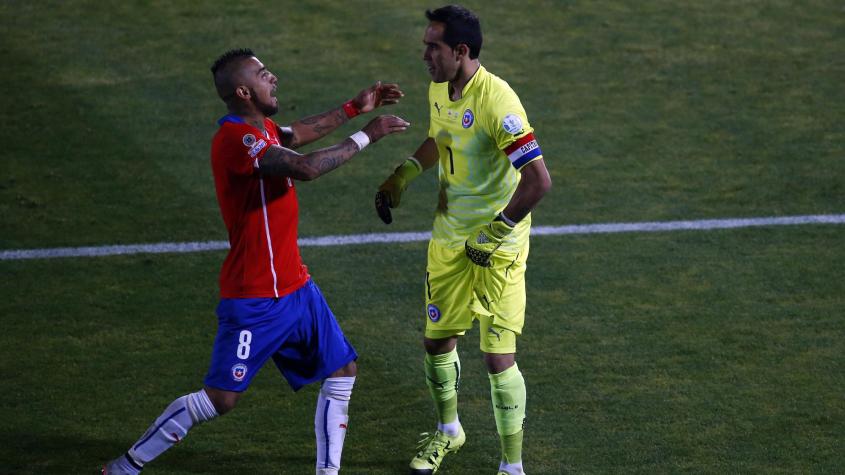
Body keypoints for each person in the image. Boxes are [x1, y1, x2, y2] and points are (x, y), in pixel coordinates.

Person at [103, 48, 410, 475]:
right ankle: (125, 466)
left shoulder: (260, 127)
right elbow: (303, 168)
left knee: (342, 370)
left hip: (297, 287)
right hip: (257, 297)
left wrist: (354, 107)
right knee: (220, 399)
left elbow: (296, 135)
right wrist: (367, 134)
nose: (275, 78)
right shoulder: (236, 140)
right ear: (244, 91)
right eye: (265, 75)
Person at [375, 6, 551, 475]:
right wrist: (404, 174)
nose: (424, 55)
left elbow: (538, 181)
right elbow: (441, 137)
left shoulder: (499, 102)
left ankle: (511, 466)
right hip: (449, 239)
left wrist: (494, 232)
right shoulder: (440, 87)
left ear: (461, 51)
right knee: (437, 342)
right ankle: (449, 431)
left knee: (497, 357)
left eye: (433, 46)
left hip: (498, 247)